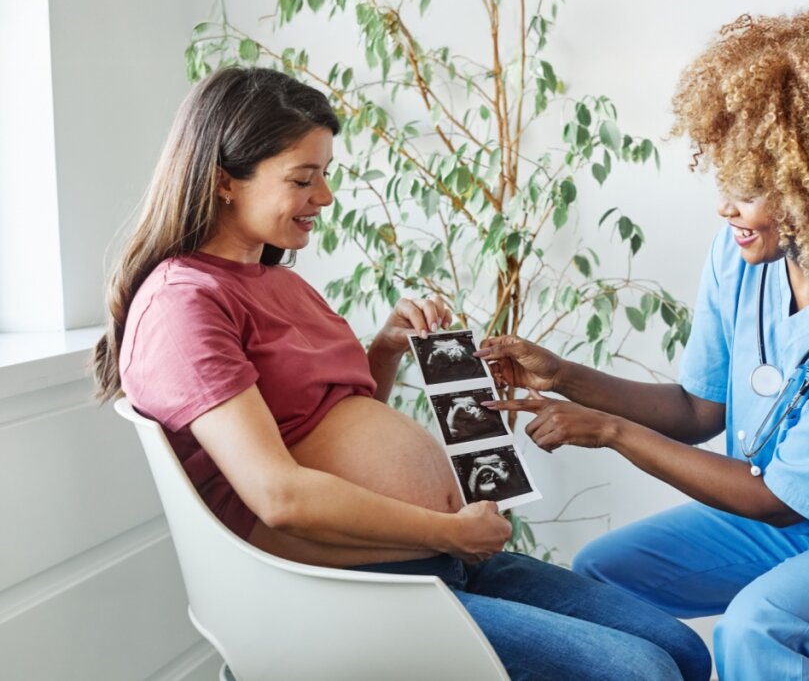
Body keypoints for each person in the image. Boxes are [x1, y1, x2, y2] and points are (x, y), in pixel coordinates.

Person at [91, 66, 711, 681]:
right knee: (641, 672)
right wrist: (449, 528)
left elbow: (322, 420)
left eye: (325, 175)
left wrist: (384, 350)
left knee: (682, 651)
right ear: (224, 181)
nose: (326, 198)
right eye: (303, 179)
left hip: (437, 561)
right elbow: (279, 496)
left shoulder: (277, 282)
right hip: (346, 590)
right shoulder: (185, 302)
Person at [479, 5, 809, 680]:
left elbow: (775, 500)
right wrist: (561, 372)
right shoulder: (741, 257)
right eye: (725, 176)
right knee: (601, 578)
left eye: (752, 189)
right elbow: (698, 411)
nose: (725, 207)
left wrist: (613, 431)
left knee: (760, 627)